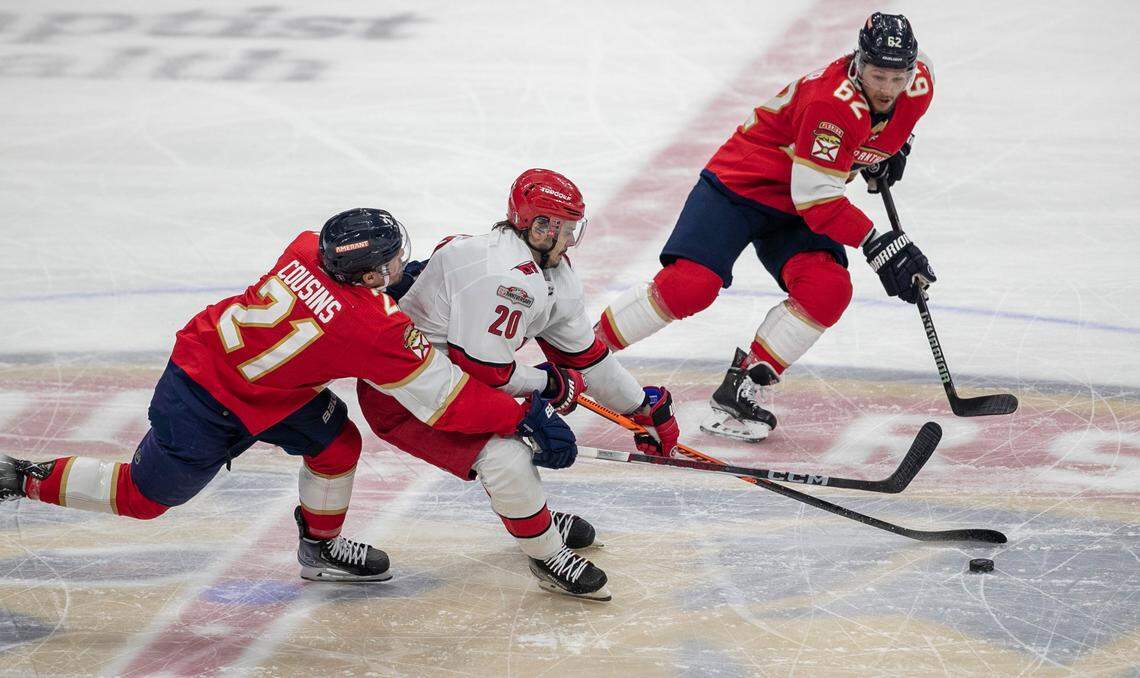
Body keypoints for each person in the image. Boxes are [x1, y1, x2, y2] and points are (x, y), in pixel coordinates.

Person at [0, 208, 573, 584]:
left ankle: (319, 549)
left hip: (257, 380)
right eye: (394, 261)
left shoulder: (305, 248)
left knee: (337, 443)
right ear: (370, 277)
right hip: (202, 398)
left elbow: (344, 296)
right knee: (145, 498)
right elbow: (447, 402)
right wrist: (520, 415)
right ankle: (20, 477)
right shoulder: (372, 333)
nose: (404, 264)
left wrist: (393, 281)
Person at [594, 12, 938, 442]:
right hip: (742, 186)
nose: (887, 88)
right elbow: (818, 202)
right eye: (876, 75)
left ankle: (742, 388)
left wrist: (887, 150)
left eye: (896, 77)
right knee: (689, 286)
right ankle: (581, 356)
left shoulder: (919, 82)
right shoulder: (830, 104)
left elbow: (883, 130)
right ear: (858, 62)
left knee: (827, 288)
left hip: (800, 200)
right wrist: (877, 243)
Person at [357, 168, 681, 601]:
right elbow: (486, 372)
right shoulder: (500, 275)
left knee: (519, 443)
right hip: (404, 392)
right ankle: (546, 553)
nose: (572, 239)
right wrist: (544, 388)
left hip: (451, 380)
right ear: (539, 226)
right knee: (506, 457)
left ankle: (534, 518)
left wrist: (641, 407)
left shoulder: (552, 273)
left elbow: (583, 356)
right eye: (566, 227)